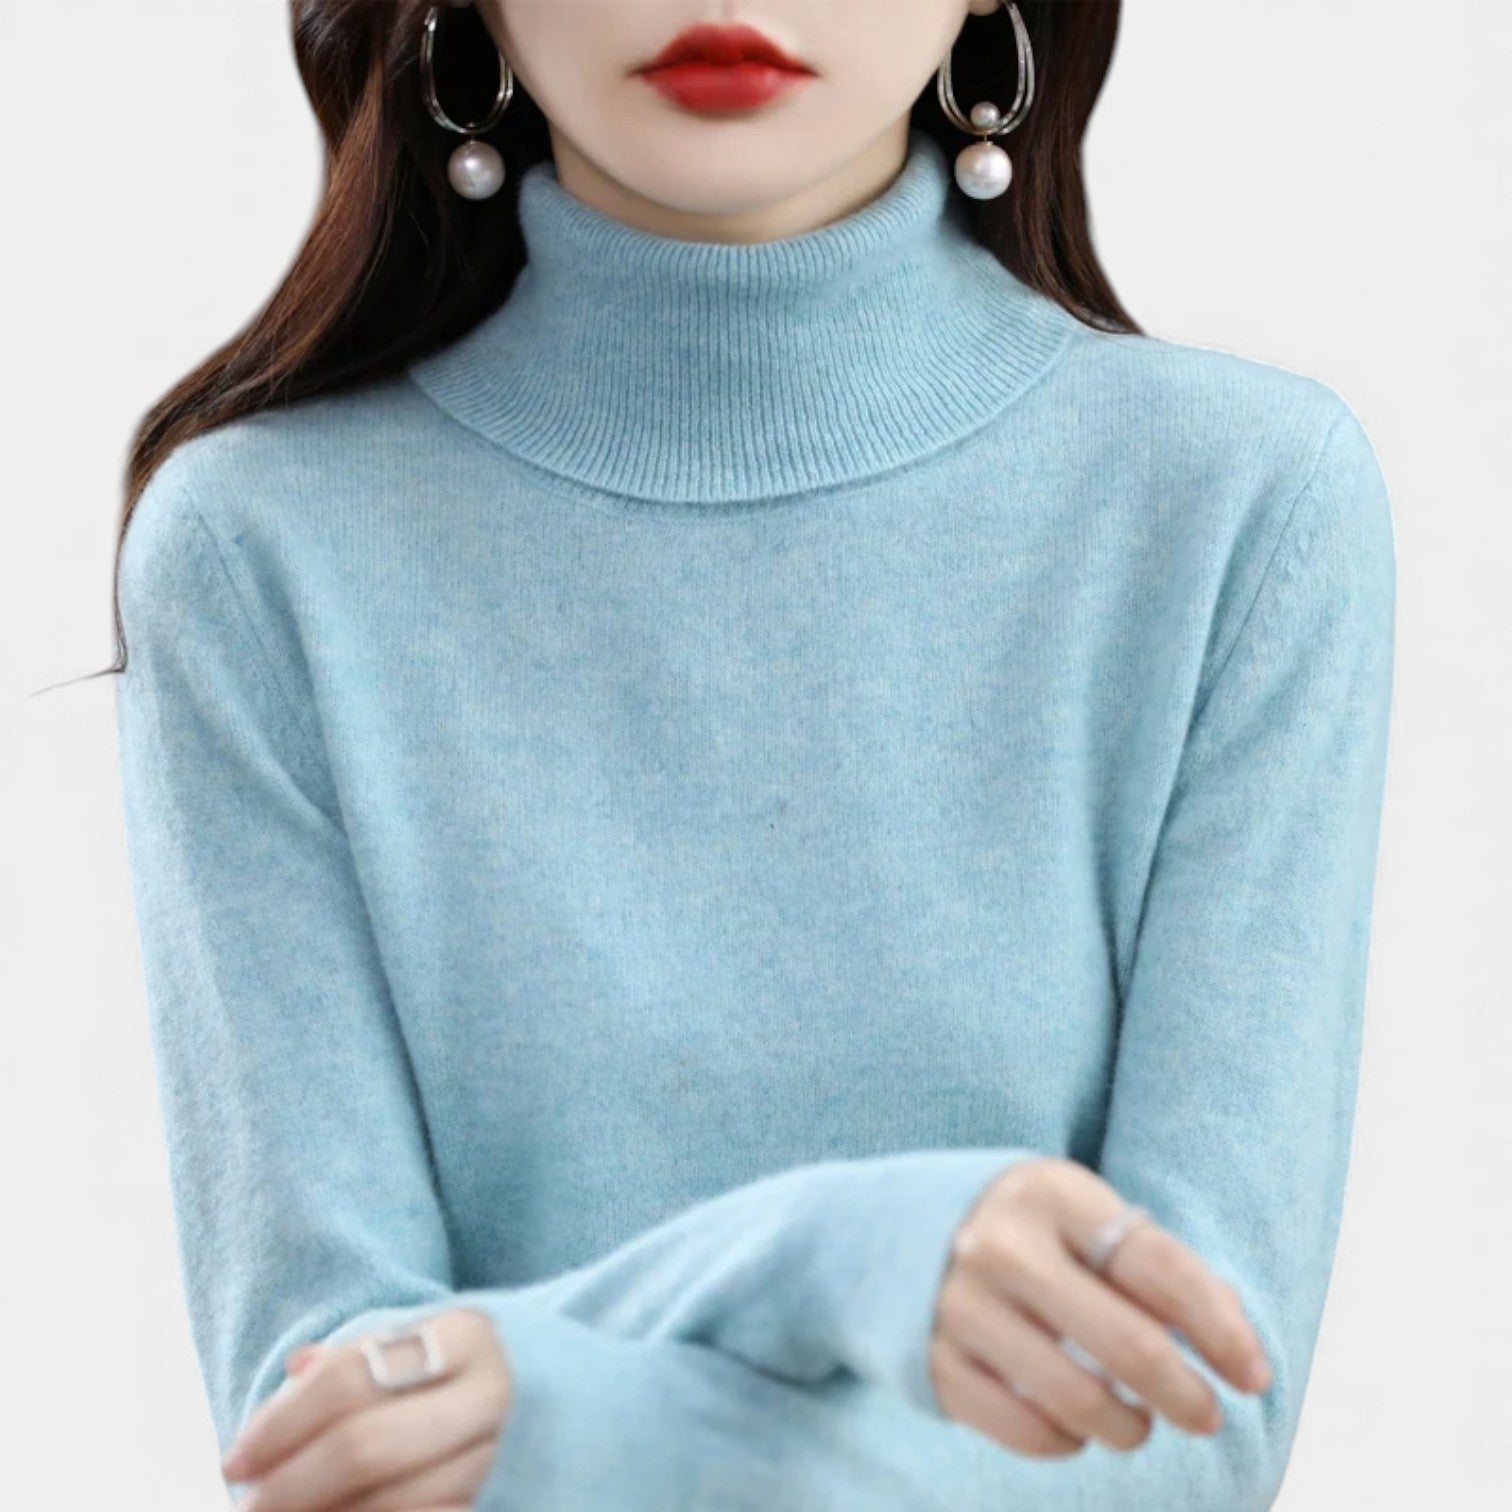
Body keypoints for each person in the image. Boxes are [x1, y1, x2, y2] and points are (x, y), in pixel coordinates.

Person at [108, 2, 1396, 1508]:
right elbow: (330, 1436)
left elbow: (1190, 1423)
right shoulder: (256, 554)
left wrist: (568, 1402)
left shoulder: (1241, 510)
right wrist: (846, 1256)